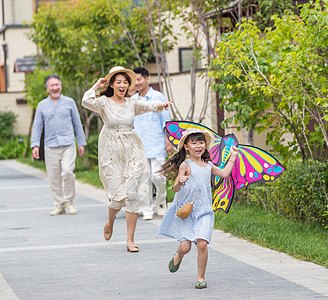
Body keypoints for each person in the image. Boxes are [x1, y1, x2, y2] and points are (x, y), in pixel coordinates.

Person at [81, 66, 173, 252]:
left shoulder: (132, 103)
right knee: (116, 197)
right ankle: (111, 219)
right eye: (118, 82)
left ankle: (130, 240)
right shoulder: (104, 102)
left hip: (131, 150)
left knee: (132, 195)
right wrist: (97, 85)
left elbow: (148, 106)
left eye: (125, 82)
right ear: (112, 84)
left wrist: (161, 106)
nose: (122, 85)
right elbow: (86, 101)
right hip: (111, 152)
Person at [157, 128, 239, 289]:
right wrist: (179, 181)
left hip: (205, 211)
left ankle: (200, 277)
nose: (198, 146)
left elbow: (223, 173)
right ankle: (179, 254)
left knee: (202, 244)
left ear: (205, 146)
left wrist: (232, 157)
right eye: (194, 143)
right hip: (186, 212)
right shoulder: (185, 165)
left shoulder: (208, 165)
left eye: (201, 142)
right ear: (186, 147)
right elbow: (175, 189)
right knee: (185, 247)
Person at [31, 74, 86, 216]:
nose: (55, 88)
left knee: (67, 171)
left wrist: (81, 142)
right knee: (53, 177)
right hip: (50, 146)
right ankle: (59, 205)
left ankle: (69, 201)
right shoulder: (42, 105)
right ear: (47, 88)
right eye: (52, 85)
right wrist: (35, 145)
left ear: (60, 86)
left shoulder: (69, 102)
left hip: (68, 144)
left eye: (57, 85)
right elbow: (37, 126)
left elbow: (77, 123)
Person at [132, 67, 174, 220]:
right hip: (140, 146)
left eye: (139, 79)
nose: (136, 83)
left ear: (146, 78)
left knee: (158, 177)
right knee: (144, 178)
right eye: (134, 80)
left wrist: (168, 141)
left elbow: (166, 121)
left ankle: (161, 203)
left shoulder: (158, 97)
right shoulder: (133, 100)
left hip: (156, 143)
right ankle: (147, 208)